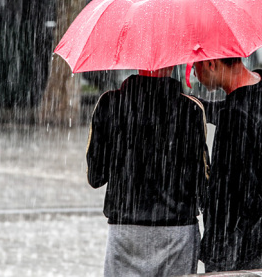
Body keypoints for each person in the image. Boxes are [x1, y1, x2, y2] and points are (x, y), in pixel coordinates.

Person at [87, 66, 209, 277]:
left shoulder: (109, 104)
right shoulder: (191, 108)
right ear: (172, 63)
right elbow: (203, 183)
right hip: (178, 230)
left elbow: (95, 177)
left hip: (126, 229)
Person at [192, 57, 262, 272]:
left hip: (238, 253)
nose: (194, 74)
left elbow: (229, 198)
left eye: (195, 66)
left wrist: (218, 258)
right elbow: (244, 108)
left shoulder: (235, 118)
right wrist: (200, 107)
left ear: (212, 63)